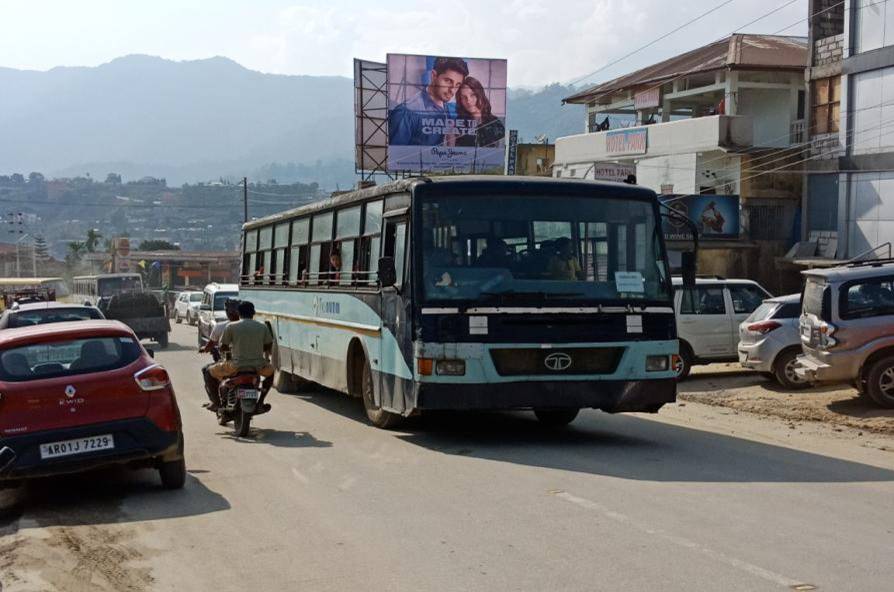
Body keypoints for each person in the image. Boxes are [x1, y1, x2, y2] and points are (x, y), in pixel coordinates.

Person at [388, 57, 469, 146]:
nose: (452, 91)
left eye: (457, 85)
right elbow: (395, 156)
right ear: (433, 76)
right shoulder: (406, 112)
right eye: (448, 81)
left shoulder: (448, 106)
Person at [209, 300, 275, 391]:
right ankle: (261, 400)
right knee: (271, 372)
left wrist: (229, 350)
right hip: (258, 366)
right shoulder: (263, 326)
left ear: (238, 313)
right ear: (253, 313)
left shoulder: (231, 326)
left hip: (236, 366)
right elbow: (268, 345)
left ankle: (216, 402)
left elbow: (223, 346)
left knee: (210, 371)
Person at [200, 298, 240, 410]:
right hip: (251, 364)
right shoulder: (252, 326)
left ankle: (216, 402)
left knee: (207, 371)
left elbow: (214, 345)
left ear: (227, 312)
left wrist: (205, 349)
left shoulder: (223, 327)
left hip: (231, 363)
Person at [453, 76, 505, 148]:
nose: (468, 101)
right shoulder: (458, 123)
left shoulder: (495, 123)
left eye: (472, 95)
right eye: (463, 97)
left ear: (480, 95)